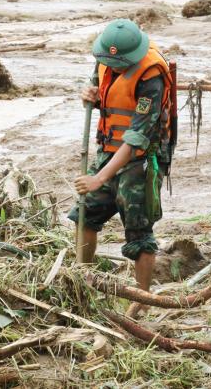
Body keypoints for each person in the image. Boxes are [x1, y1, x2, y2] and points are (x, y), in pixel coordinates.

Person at [69, 19, 175, 310]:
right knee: (85, 214)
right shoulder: (105, 60)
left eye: (119, 64)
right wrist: (88, 96)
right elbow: (97, 91)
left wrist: (100, 178)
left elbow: (136, 139)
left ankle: (141, 300)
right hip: (108, 150)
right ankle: (84, 278)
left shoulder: (151, 77)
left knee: (139, 233)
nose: (112, 67)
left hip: (140, 161)